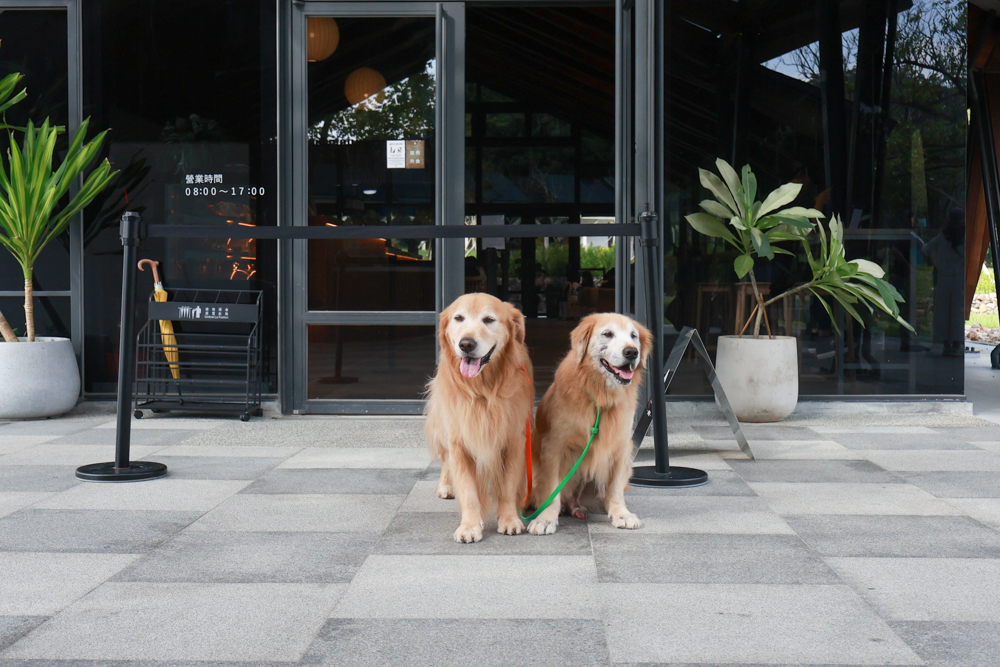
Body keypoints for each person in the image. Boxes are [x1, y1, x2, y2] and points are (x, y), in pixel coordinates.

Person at [922, 208, 966, 357]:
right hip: (959, 279)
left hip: (943, 278)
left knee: (943, 312)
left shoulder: (943, 236)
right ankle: (957, 344)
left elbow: (926, 249)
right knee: (957, 313)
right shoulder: (964, 239)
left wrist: (933, 263)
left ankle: (946, 345)